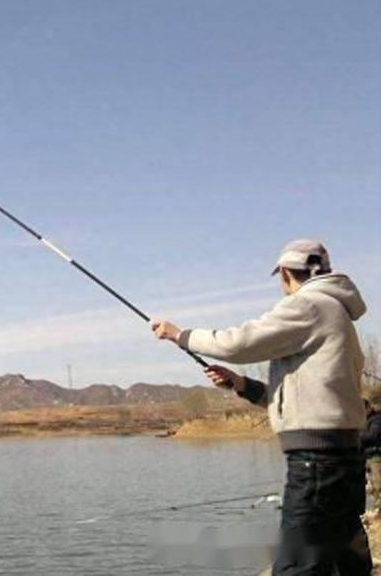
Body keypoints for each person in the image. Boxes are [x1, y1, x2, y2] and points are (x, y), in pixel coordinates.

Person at [151, 239, 370, 575]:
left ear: (284, 273)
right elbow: (304, 398)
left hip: (317, 465)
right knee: (345, 562)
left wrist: (180, 335)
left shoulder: (308, 305)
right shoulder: (336, 313)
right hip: (342, 460)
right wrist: (241, 385)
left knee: (297, 566)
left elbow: (240, 342)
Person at [362, 399, 381, 512]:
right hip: (367, 457)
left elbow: (372, 436)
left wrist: (357, 435)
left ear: (368, 408)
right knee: (371, 487)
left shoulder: (377, 419)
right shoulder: (365, 420)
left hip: (376, 457)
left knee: (378, 484)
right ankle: (375, 510)